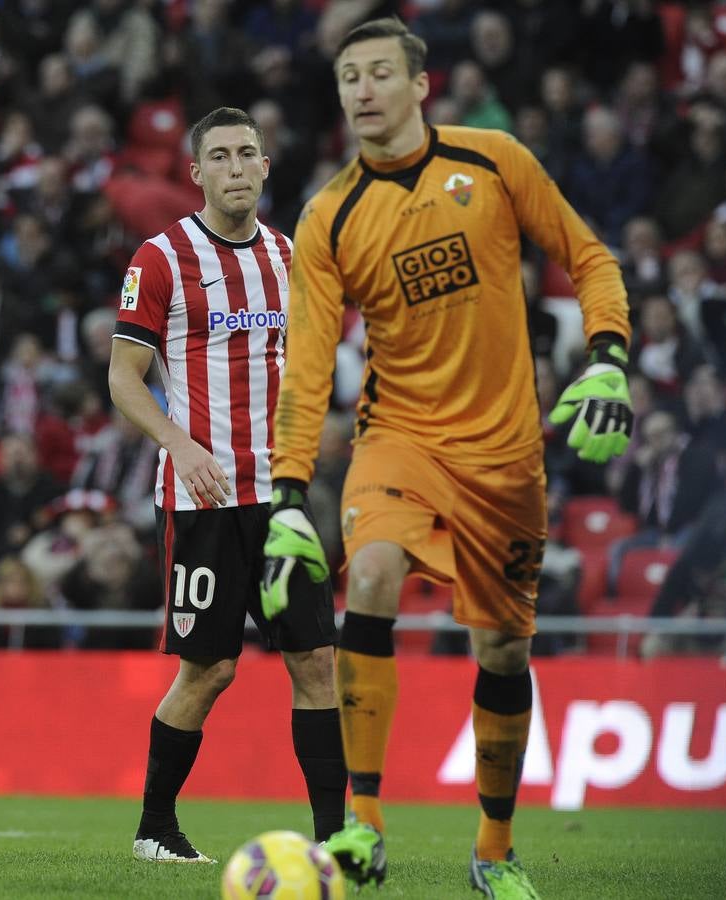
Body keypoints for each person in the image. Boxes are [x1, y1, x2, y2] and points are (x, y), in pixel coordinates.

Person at [262, 18, 632, 896]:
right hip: (398, 437)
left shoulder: (497, 161)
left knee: (503, 652)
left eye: (380, 72)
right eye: (349, 75)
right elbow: (309, 360)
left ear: (422, 85)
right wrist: (285, 494)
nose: (362, 90)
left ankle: (493, 850)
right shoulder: (329, 214)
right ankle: (364, 821)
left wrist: (610, 358)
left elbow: (589, 258)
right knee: (375, 573)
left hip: (505, 458)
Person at [109, 106, 345, 864]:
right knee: (209, 669)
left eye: (250, 153)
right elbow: (123, 379)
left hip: (280, 500)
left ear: (266, 166)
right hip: (201, 497)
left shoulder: (289, 255)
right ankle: (155, 828)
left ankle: (335, 841)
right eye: (222, 155)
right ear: (197, 171)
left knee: (316, 661)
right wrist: (181, 445)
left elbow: (307, 368)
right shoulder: (162, 257)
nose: (238, 166)